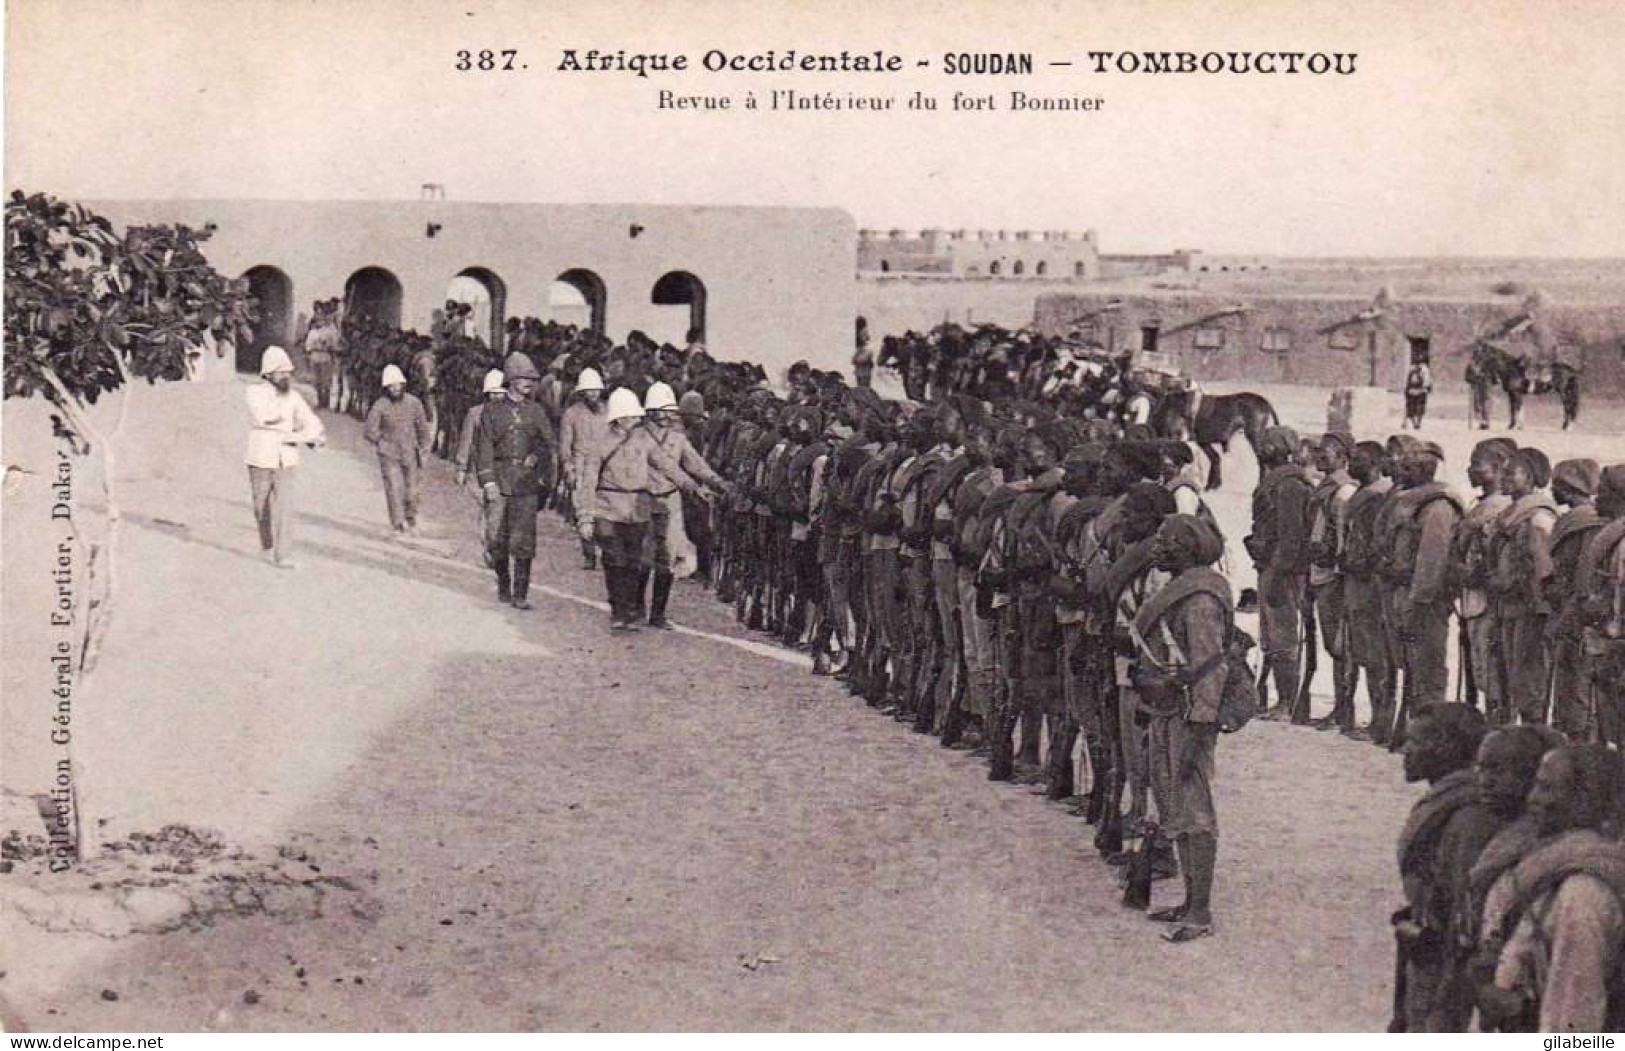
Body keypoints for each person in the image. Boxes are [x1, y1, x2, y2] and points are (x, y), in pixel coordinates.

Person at [1131, 513, 1235, 944]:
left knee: (1194, 808)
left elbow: (1210, 670)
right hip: (1167, 711)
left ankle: (1200, 909)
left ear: (1189, 549)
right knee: (1174, 802)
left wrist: (1199, 726)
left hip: (1189, 716)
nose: (1157, 547)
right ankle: (1190, 899)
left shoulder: (1199, 601)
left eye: (1166, 541)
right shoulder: (1183, 590)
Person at [1478, 744, 1625, 1032]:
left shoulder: (1583, 893)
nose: (1533, 798)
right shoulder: (1548, 863)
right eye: (1536, 785)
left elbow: (1573, 1016)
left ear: (1587, 799)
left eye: (1547, 788)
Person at [577, 388, 722, 630]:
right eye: (633, 416)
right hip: (609, 509)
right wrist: (585, 516)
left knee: (637, 561)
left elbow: (668, 466)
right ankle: (621, 610)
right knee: (614, 560)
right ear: (620, 417)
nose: (637, 419)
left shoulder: (644, 440)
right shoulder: (601, 443)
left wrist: (694, 487)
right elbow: (589, 480)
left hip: (638, 509)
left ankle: (635, 612)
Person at [1391, 703, 1489, 1031]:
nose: (1404, 750)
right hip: (1426, 949)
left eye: (1414, 742)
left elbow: (1465, 912)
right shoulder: (1448, 800)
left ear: (1444, 746)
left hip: (1444, 967)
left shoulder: (1466, 817)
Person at [642, 381, 730, 629]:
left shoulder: (677, 438)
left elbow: (695, 464)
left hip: (670, 500)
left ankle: (657, 614)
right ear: (650, 411)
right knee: (643, 556)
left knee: (667, 557)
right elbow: (670, 469)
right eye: (662, 409)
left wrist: (718, 482)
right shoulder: (639, 436)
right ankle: (635, 607)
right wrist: (694, 487)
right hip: (643, 499)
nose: (667, 415)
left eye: (670, 410)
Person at [1388, 441, 1465, 718]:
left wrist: (1420, 600)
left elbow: (1432, 559)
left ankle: (1430, 726)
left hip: (1424, 599)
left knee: (1428, 666)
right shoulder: (1411, 501)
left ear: (1424, 469)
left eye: (1408, 467)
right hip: (1406, 592)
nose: (1401, 472)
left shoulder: (1438, 507)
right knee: (1411, 662)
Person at [475, 353, 557, 610]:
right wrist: (487, 482)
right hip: (499, 479)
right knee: (497, 538)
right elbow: (484, 447)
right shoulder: (492, 411)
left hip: (526, 483)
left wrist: (538, 456)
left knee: (524, 541)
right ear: (510, 380)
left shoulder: (536, 411)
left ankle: (520, 593)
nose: (529, 383)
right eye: (523, 378)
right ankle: (503, 583)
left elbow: (549, 443)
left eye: (532, 379)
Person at [1246, 426, 1313, 722]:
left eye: (1268, 443)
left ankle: (1288, 702)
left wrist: (1275, 572)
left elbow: (1290, 537)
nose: (1263, 447)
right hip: (1270, 565)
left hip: (1283, 571)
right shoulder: (1279, 481)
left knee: (1282, 636)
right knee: (1272, 636)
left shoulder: (1289, 485)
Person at [1450, 439, 1516, 721]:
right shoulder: (1481, 505)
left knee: (1490, 670)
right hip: (1472, 597)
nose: (1470, 470)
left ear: (1500, 466)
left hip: (1488, 599)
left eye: (1477, 465)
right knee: (1480, 668)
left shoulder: (1500, 508)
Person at [1490, 447, 1557, 724]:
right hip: (1508, 604)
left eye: (1510, 473)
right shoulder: (1510, 513)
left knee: (1528, 677)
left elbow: (1543, 566)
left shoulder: (1538, 516)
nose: (1503, 478)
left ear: (1529, 477)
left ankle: (1534, 737)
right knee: (1511, 673)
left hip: (1531, 607)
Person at [243, 346, 325, 569]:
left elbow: (313, 423)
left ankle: (283, 554)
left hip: (286, 458)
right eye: (281, 372)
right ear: (268, 373)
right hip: (260, 456)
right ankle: (267, 545)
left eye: (288, 372)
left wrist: (303, 433)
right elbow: (264, 418)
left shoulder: (294, 396)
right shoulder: (254, 392)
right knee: (261, 506)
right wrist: (298, 432)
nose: (286, 376)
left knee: (284, 506)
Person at [1545, 460, 1603, 739]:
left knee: (1576, 686)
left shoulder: (1587, 523)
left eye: (1557, 484)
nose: (1551, 488)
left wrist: (1568, 615)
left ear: (1569, 489)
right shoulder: (1571, 519)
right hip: (1564, 610)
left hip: (1575, 616)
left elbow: (1583, 579)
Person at [1308, 433, 1359, 730]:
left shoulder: (1342, 492)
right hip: (1321, 573)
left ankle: (1344, 708)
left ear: (1341, 456)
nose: (1318, 456)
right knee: (1333, 645)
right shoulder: (1327, 489)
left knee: (1341, 645)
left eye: (1324, 452)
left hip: (1333, 577)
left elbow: (1342, 541)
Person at [363, 363, 433, 537]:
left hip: (410, 452)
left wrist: (424, 447)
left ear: (403, 385)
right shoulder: (381, 405)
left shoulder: (414, 403)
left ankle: (412, 519)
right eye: (391, 386)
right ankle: (397, 523)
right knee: (394, 488)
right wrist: (380, 441)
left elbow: (422, 427)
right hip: (389, 454)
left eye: (398, 385)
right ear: (386, 388)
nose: (395, 389)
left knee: (412, 489)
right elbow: (369, 429)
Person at [559, 367, 608, 570]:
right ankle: (589, 554)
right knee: (584, 511)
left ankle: (606, 551)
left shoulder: (608, 411)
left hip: (605, 465)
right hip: (582, 464)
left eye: (596, 390)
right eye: (589, 390)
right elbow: (565, 444)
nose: (593, 394)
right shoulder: (571, 414)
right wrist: (568, 467)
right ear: (581, 392)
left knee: (605, 509)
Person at [1404, 358, 1433, 430]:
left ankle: (1416, 423)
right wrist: (1427, 389)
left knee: (1412, 409)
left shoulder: (1412, 370)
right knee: (1418, 409)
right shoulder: (1425, 370)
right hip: (1421, 391)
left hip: (1413, 391)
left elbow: (1408, 382)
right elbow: (1428, 382)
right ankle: (1417, 423)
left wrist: (1407, 390)